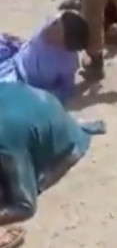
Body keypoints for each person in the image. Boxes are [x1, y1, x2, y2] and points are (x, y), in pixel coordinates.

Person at [0, 82, 105, 248]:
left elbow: (25, 206)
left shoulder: (5, 142)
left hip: (63, 145)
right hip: (37, 108)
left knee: (8, 192)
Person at [0, 11, 88, 103]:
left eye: (58, 31)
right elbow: (29, 45)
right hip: (11, 63)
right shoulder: (45, 28)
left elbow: (65, 88)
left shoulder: (66, 62)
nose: (51, 27)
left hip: (23, 83)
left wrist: (46, 98)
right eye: (55, 23)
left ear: (64, 45)